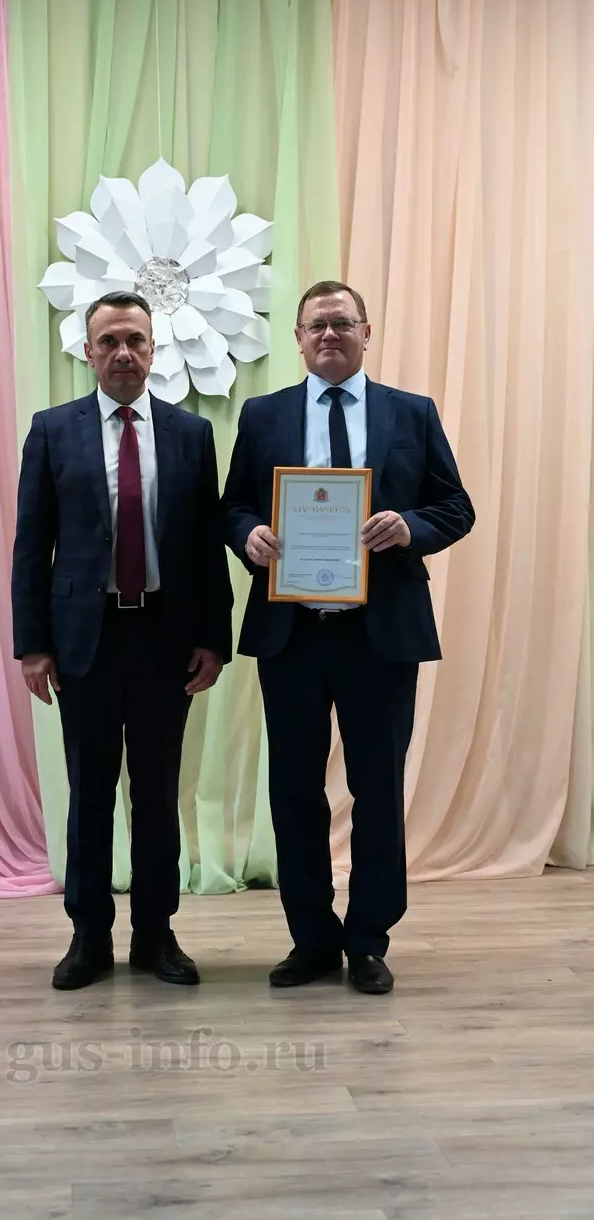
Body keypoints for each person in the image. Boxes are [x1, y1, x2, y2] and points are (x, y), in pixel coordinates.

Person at [222, 280, 474, 994]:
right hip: (293, 635)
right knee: (294, 791)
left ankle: (367, 940)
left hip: (380, 634)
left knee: (377, 790)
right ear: (298, 339)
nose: (328, 335)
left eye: (341, 323)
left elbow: (455, 506)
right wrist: (249, 533)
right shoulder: (264, 414)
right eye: (316, 325)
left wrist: (409, 527)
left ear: (366, 332)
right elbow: (232, 505)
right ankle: (310, 940)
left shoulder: (411, 412)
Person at [12, 291, 233, 990]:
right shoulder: (53, 431)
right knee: (90, 793)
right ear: (87, 351)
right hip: (86, 639)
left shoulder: (191, 434)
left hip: (166, 637)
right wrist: (33, 644)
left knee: (158, 793)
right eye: (108, 341)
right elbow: (31, 545)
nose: (123, 353)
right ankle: (88, 937)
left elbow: (205, 547)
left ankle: (155, 935)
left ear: (153, 348)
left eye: (135, 339)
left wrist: (214, 638)